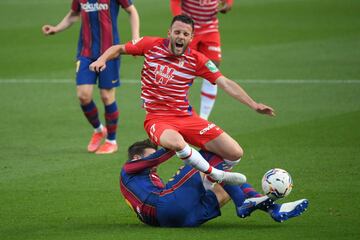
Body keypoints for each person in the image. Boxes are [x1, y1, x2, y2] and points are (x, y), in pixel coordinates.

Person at [90, 15, 275, 184]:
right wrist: (102, 60)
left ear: (191, 38)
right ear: (169, 33)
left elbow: (225, 82)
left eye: (185, 34)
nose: (180, 37)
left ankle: (206, 181)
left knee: (235, 153)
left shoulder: (197, 60)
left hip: (187, 118)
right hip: (157, 118)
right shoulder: (150, 45)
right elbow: (119, 48)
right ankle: (214, 174)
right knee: (177, 143)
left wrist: (253, 104)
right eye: (177, 32)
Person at [120, 139, 309, 227]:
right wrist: (179, 136)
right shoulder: (128, 169)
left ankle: (272, 209)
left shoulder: (144, 180)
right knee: (211, 155)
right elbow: (163, 154)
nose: (153, 156)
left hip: (179, 221)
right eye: (149, 153)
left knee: (223, 178)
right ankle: (244, 203)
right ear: (136, 158)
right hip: (166, 208)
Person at [42, 0, 140, 154]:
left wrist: (135, 40)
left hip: (110, 53)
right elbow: (73, 15)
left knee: (107, 96)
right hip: (86, 53)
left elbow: (132, 11)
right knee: (83, 96)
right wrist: (56, 29)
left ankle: (111, 141)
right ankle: (99, 130)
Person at [170, 0, 234, 120]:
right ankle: (174, 109)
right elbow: (175, 2)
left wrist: (227, 5)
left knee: (213, 67)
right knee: (181, 67)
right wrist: (180, 23)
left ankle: (204, 118)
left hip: (210, 28)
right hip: (188, 29)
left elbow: (228, 2)